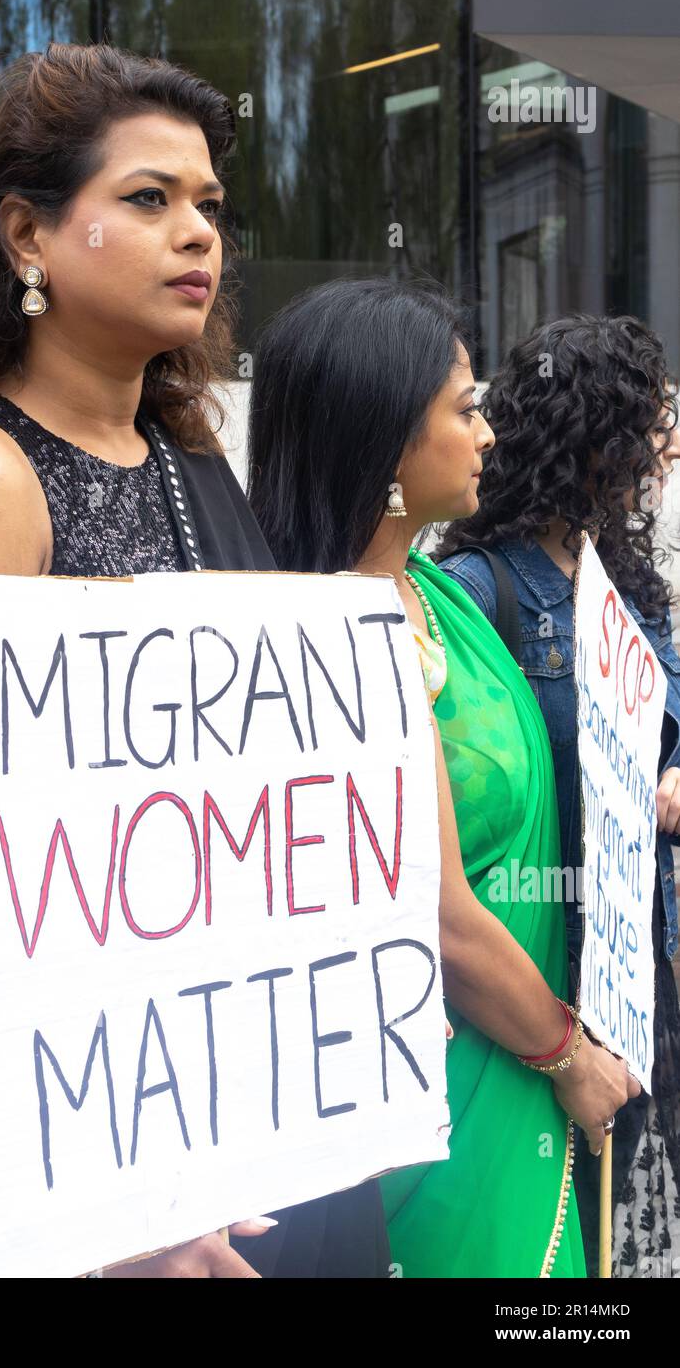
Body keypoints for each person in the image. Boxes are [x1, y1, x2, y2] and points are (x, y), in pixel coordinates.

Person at [0, 42, 389, 1280]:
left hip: (190, 1097)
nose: (197, 234)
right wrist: (98, 1188)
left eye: (209, 207)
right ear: (29, 234)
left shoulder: (192, 465)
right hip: (14, 1118)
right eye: (147, 200)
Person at [246, 277, 640, 1277]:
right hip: (442, 1086)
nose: (488, 436)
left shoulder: (433, 594)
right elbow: (431, 906)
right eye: (462, 410)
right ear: (384, 441)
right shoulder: (334, 634)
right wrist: (567, 1056)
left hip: (516, 1055)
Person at [435, 312, 680, 1276]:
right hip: (536, 984)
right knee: (543, 1236)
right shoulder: (472, 591)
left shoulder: (629, 580)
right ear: (584, 439)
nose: (662, 449)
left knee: (622, 1231)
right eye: (642, 426)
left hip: (635, 971)